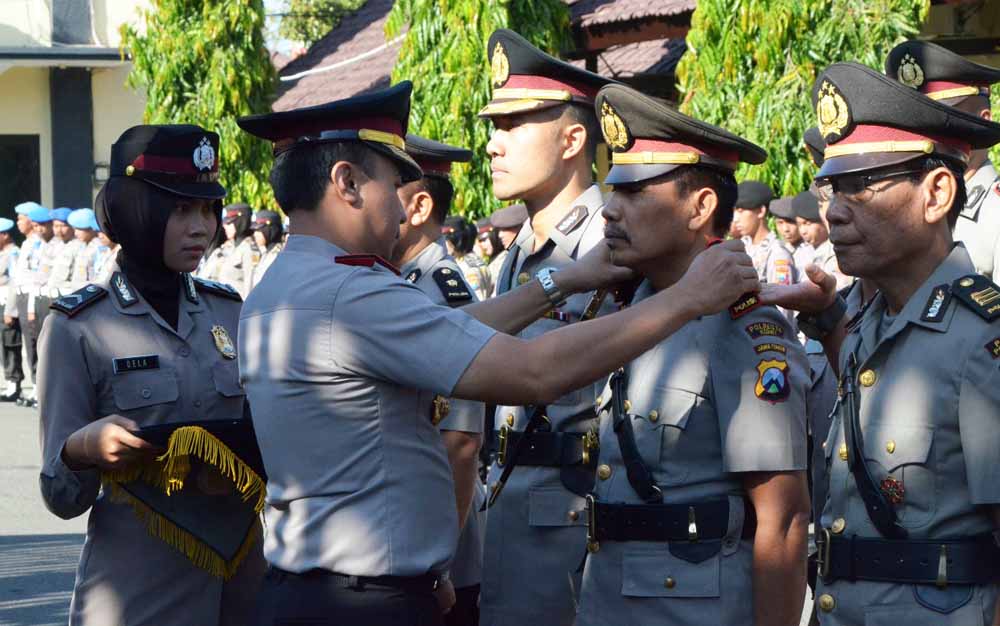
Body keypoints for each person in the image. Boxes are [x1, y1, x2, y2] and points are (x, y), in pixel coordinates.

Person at [235, 80, 759, 626]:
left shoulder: (287, 285)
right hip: (362, 602)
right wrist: (685, 299)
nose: (404, 206)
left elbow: (445, 331)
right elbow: (534, 372)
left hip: (313, 590)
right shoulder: (352, 292)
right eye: (394, 184)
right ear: (345, 183)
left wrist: (567, 279)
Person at [761, 61, 1000, 626]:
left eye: (862, 186)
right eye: (832, 187)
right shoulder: (871, 322)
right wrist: (828, 316)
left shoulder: (981, 339)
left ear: (937, 192)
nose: (835, 211)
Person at [574, 81, 810, 626]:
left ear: (701, 206)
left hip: (692, 606)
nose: (609, 211)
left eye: (634, 193)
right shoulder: (631, 308)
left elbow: (784, 519)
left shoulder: (744, 326)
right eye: (612, 192)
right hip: (609, 598)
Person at [37, 124, 265, 626]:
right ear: (135, 210)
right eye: (180, 209)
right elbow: (60, 495)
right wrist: (82, 449)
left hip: (244, 579)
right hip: (139, 588)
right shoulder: (79, 328)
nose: (201, 227)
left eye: (208, 208)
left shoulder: (229, 311)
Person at [474, 29, 622, 626]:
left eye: (512, 127)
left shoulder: (613, 241)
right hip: (508, 501)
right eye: (492, 127)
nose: (492, 145)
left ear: (572, 139)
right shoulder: (515, 254)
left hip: (577, 517)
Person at [390, 134, 487, 625]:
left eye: (388, 188)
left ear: (419, 205)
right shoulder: (396, 284)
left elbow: (461, 441)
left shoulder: (440, 292)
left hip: (437, 553)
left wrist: (439, 565)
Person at [886, 40, 1000, 283]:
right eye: (917, 124)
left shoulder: (995, 212)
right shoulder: (910, 203)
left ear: (983, 121)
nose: (925, 136)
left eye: (942, 123)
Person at [20, 205, 56, 408]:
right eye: (35, 225)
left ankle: (45, 390)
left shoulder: (56, 246)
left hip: (52, 299)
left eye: (41, 225)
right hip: (39, 297)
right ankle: (37, 386)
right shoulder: (38, 245)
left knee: (50, 348)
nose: (38, 229)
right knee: (35, 345)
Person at [3, 202, 38, 402]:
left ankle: (36, 386)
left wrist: (11, 309)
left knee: (34, 344)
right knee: (29, 344)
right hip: (23, 299)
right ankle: (34, 385)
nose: (18, 223)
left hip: (32, 298)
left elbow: (27, 279)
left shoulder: (34, 245)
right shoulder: (27, 244)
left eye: (21, 218)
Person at [734, 180, 795, 286]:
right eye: (734, 211)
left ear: (761, 211)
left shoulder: (777, 254)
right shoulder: (741, 247)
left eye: (741, 211)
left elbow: (781, 298)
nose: (736, 219)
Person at [794, 190, 850, 290]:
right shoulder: (802, 251)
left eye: (808, 223)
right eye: (799, 225)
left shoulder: (839, 248)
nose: (803, 231)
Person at [40, 207, 84, 301]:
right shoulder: (52, 245)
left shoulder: (79, 246)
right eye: (56, 226)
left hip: (68, 295)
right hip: (50, 295)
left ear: (72, 227)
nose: (59, 230)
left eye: (63, 226)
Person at [444, 215, 491, 301]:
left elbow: (478, 302)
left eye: (445, 240)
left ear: (455, 240)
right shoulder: (472, 259)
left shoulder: (467, 268)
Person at [0, 218, 21, 401]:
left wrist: (10, 309)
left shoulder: (13, 253)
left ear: (5, 235)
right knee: (3, 345)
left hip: (8, 302)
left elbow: (16, 280)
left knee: (10, 343)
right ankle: (9, 383)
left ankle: (14, 384)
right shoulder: (2, 253)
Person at [486, 203, 527, 296]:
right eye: (500, 230)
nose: (500, 235)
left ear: (522, 227)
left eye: (506, 229)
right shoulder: (508, 258)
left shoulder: (528, 255)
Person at [771, 195, 813, 280]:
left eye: (791, 222)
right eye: (780, 223)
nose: (785, 229)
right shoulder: (774, 249)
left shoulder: (812, 250)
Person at [248, 210, 284, 291]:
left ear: (270, 230)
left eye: (259, 230)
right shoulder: (265, 253)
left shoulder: (279, 256)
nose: (255, 234)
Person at [67, 209, 101, 291]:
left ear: (92, 229)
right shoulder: (82, 245)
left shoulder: (98, 247)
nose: (76, 233)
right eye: (75, 229)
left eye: (80, 229)